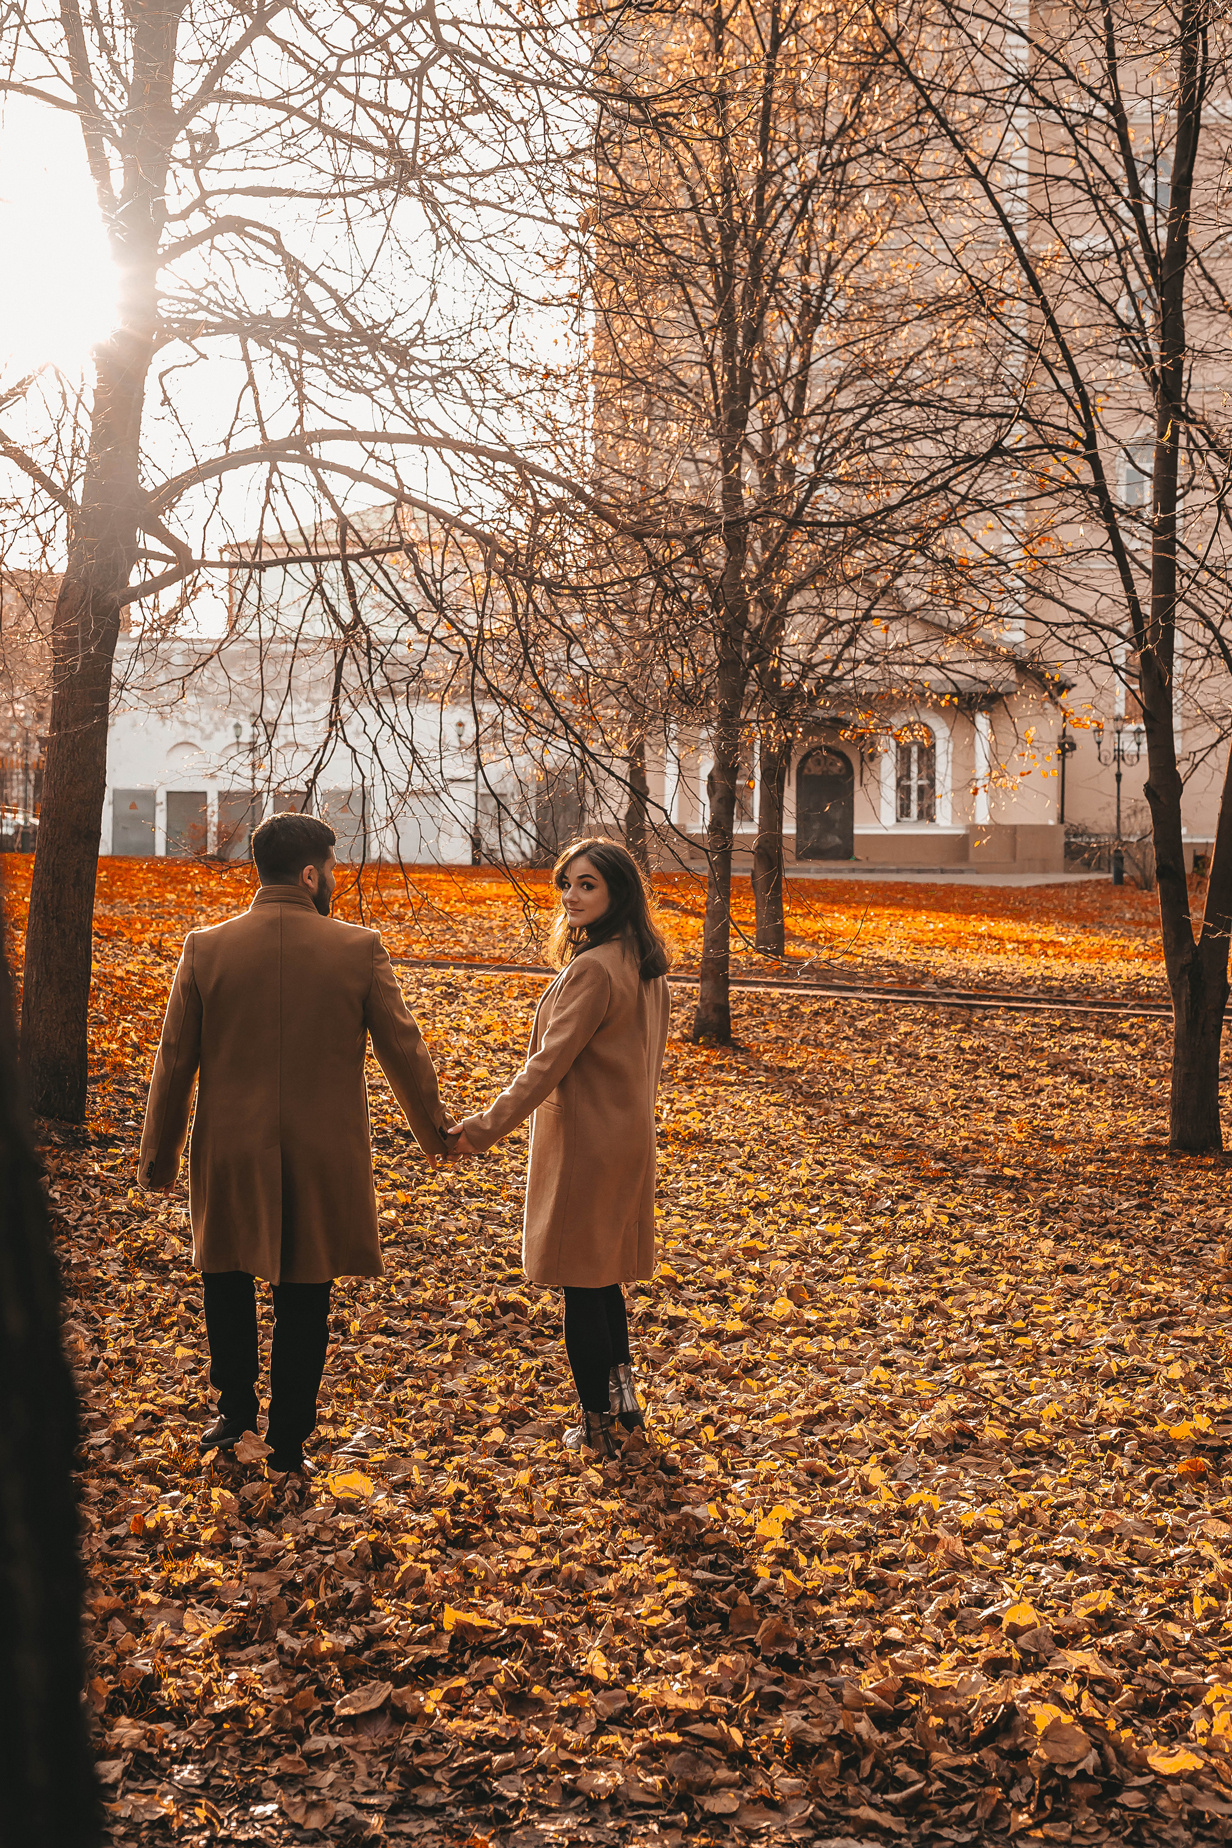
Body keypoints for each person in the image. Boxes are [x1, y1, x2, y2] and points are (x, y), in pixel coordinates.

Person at [138, 811, 452, 1475]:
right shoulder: (358, 947)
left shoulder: (207, 947)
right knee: (306, 1294)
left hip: (229, 1146)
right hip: (321, 1153)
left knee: (225, 1275)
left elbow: (173, 1061)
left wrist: (158, 1158)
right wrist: (437, 1135)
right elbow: (406, 1052)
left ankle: (233, 1413)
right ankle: (288, 1441)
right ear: (311, 874)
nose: (332, 880)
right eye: (331, 869)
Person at [447, 837, 671, 1458]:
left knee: (582, 1285)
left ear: (617, 892)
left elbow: (545, 1068)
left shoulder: (595, 970)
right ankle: (625, 1409)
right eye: (565, 884)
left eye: (586, 884)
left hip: (586, 1147)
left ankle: (596, 1422)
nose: (571, 896)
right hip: (626, 1139)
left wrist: (482, 1128)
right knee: (604, 1285)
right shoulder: (641, 964)